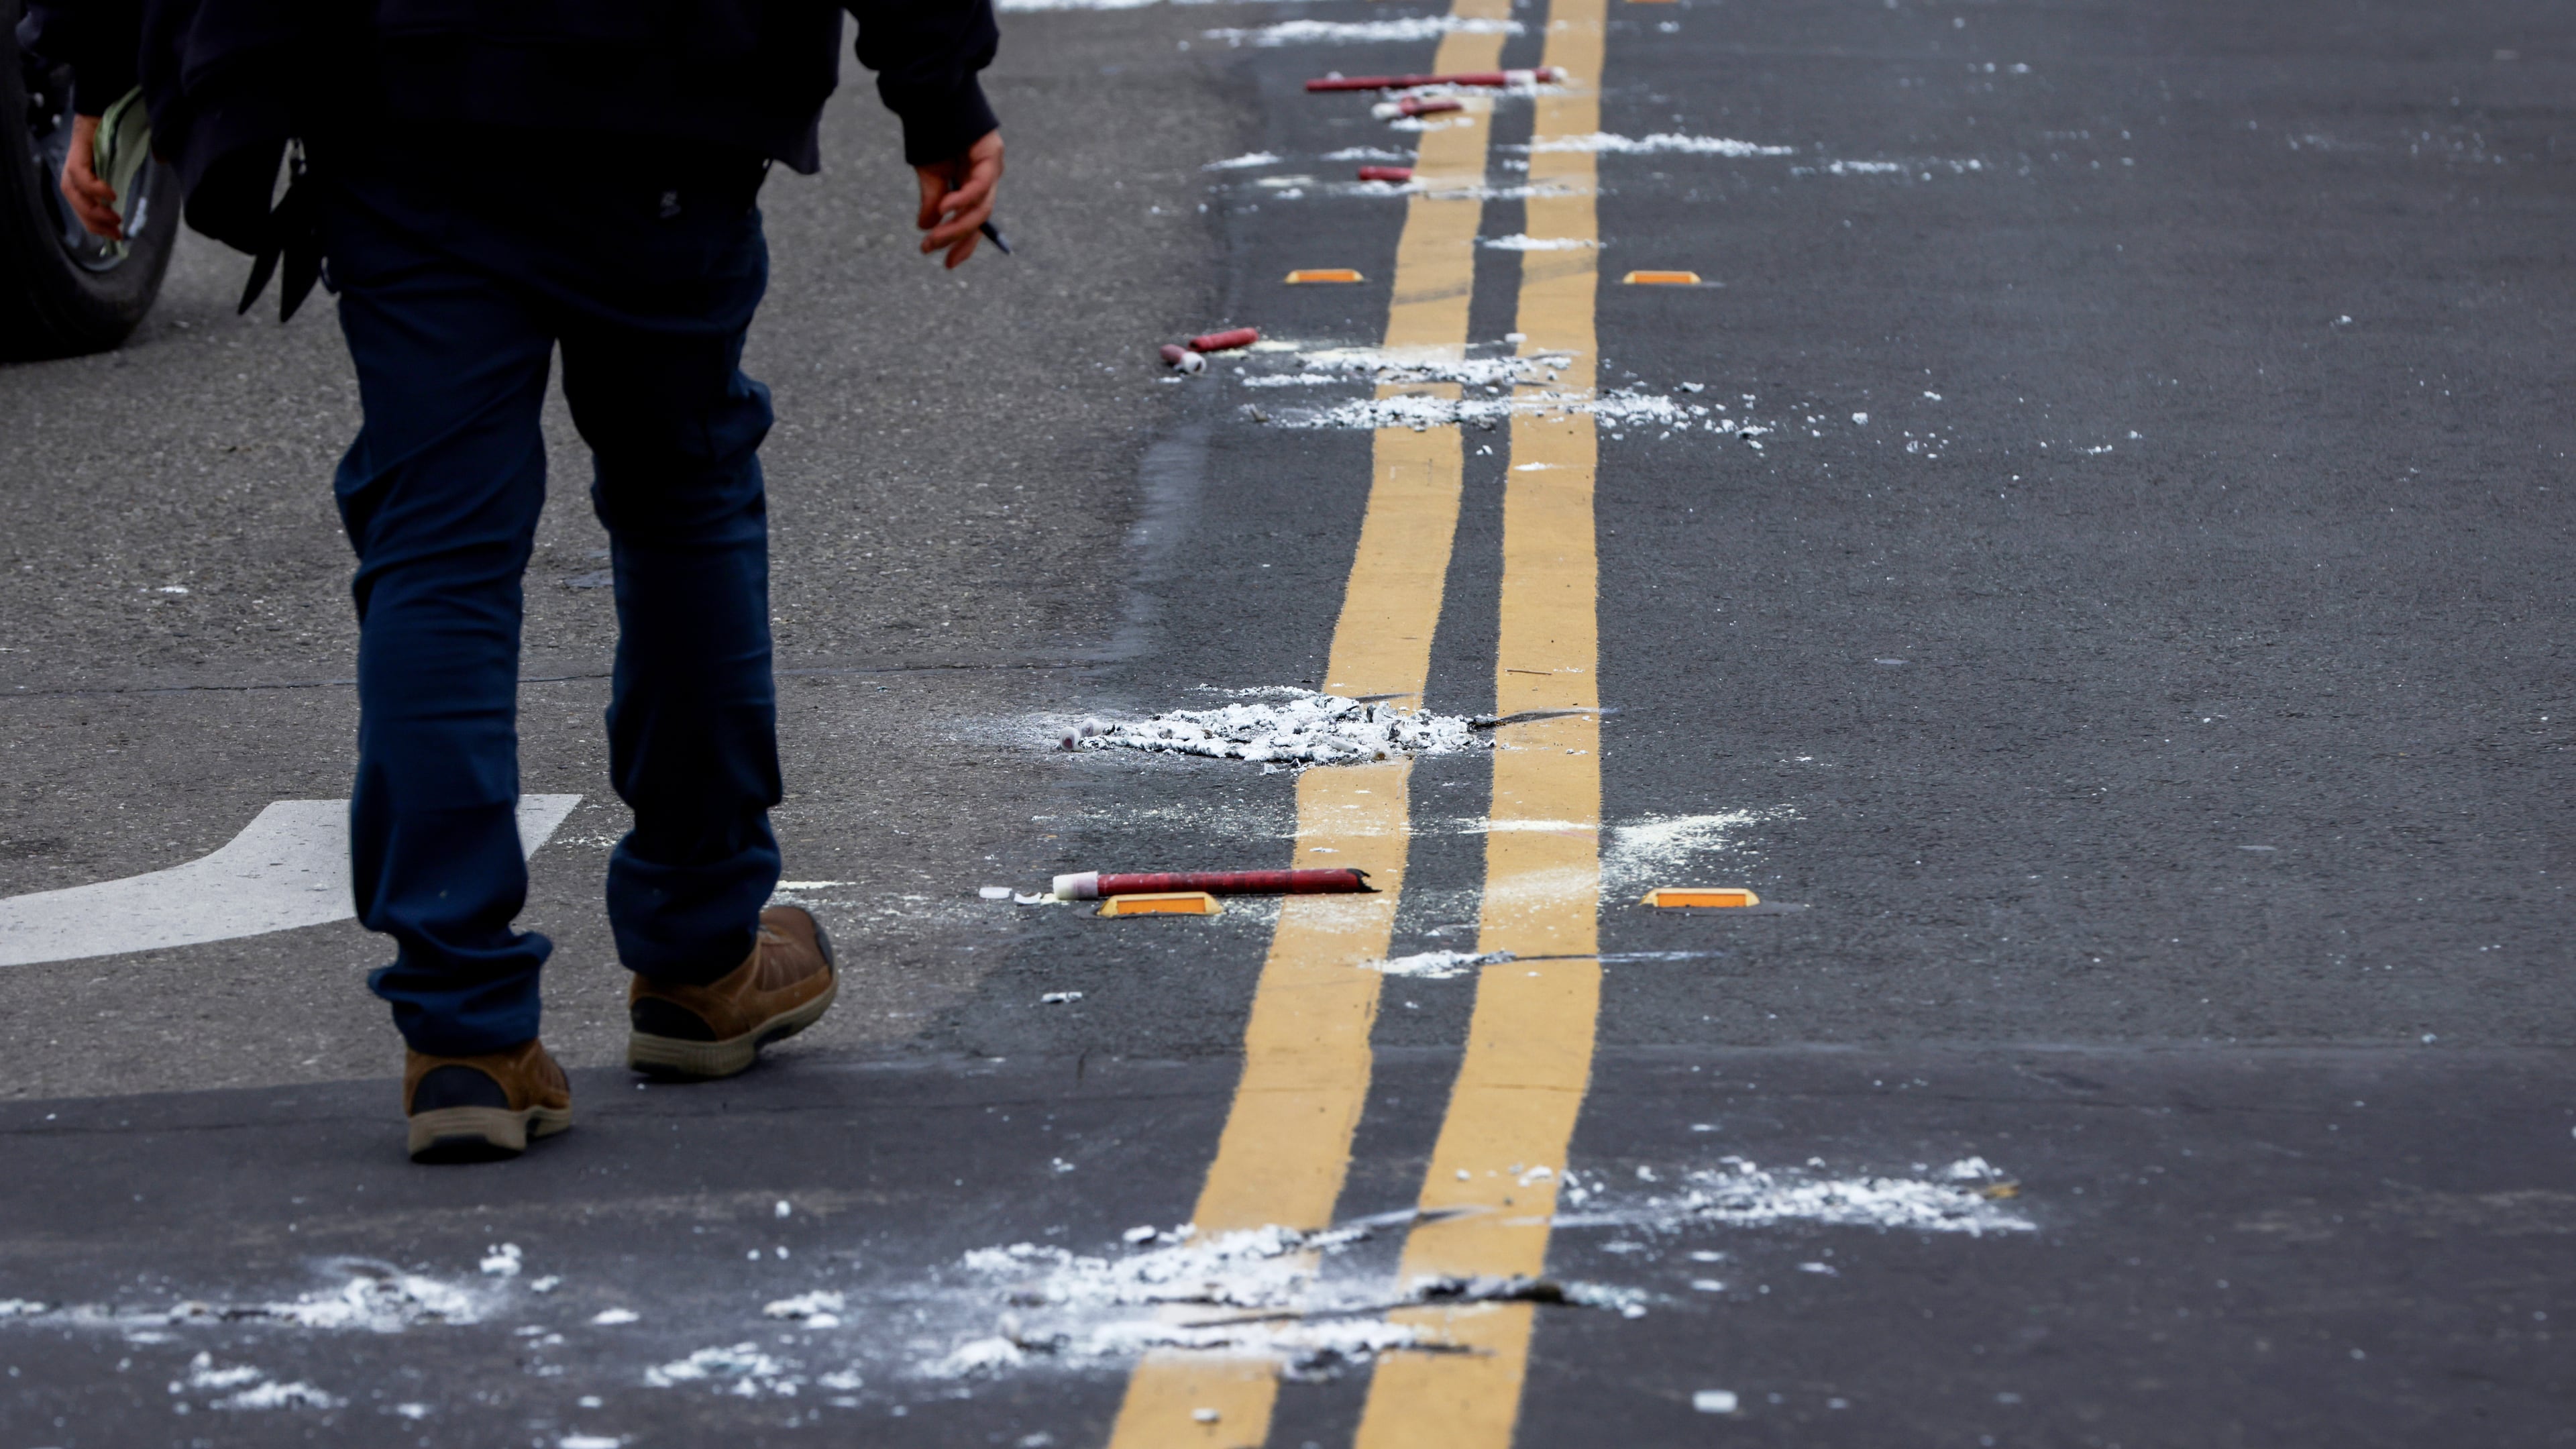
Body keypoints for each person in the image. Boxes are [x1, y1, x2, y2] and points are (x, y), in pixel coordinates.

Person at [40, 0, 1004, 1163]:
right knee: (683, 497)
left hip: (402, 88)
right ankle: (701, 954)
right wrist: (940, 94)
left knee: (437, 554)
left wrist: (102, 74)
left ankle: (465, 1032)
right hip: (667, 94)